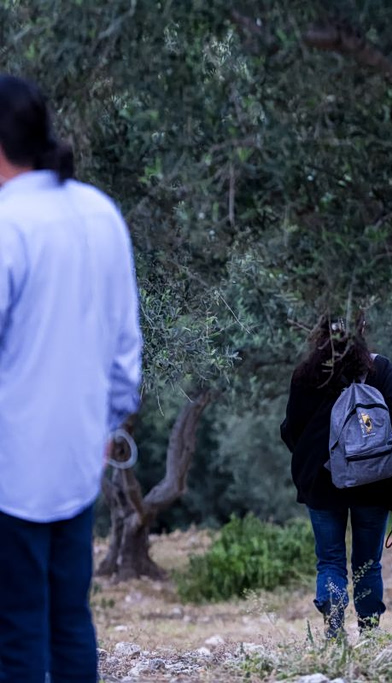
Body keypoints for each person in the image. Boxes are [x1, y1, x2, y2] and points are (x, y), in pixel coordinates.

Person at [0, 75, 143, 683]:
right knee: (69, 622)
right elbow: (124, 347)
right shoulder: (100, 212)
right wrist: (106, 426)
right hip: (80, 460)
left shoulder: (8, 222)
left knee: (17, 633)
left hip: (10, 470)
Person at [280, 316, 392, 639]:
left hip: (322, 481)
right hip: (375, 479)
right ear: (363, 330)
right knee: (368, 563)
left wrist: (310, 460)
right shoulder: (380, 369)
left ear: (321, 331)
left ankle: (333, 619)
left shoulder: (306, 374)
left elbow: (291, 429)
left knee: (330, 560)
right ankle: (369, 632)